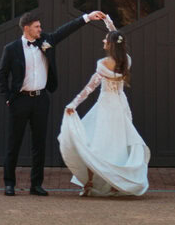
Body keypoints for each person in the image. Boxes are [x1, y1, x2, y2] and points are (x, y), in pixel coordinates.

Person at [0, 7, 106, 196]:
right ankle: (9, 183)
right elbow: (2, 74)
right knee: (13, 143)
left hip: (41, 100)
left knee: (39, 144)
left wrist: (87, 17)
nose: (40, 29)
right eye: (37, 26)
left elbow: (65, 30)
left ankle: (36, 185)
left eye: (40, 26)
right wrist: (8, 98)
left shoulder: (47, 41)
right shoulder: (11, 49)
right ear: (26, 28)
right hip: (20, 101)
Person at [58, 16, 150, 197]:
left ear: (110, 44)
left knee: (95, 143)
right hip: (121, 106)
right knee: (119, 144)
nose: (103, 40)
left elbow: (89, 88)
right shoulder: (127, 60)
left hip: (106, 107)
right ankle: (117, 182)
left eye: (105, 40)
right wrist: (107, 20)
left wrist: (73, 104)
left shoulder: (102, 64)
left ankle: (90, 182)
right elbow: (116, 35)